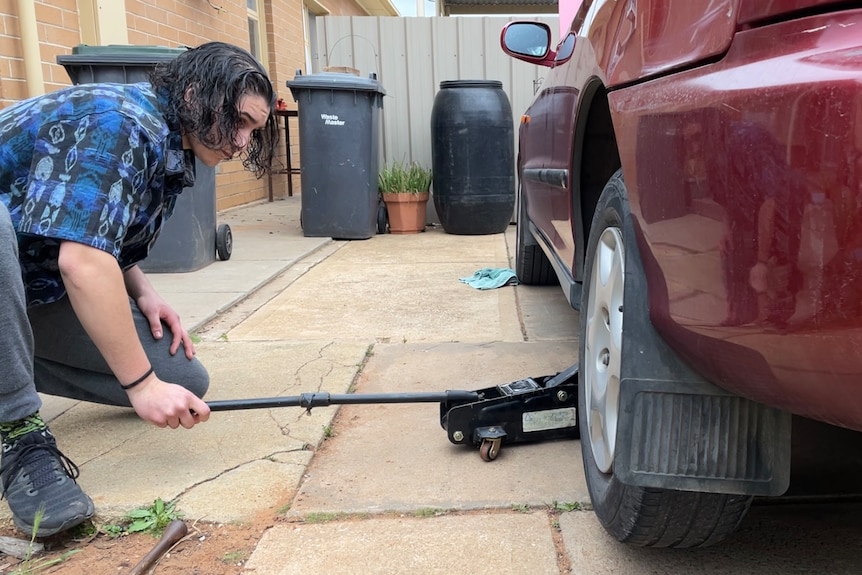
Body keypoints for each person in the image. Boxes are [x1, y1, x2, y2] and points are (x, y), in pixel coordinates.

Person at [0, 41, 278, 537]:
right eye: (238, 121)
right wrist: (141, 385)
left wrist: (142, 290)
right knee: (147, 382)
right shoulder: (118, 121)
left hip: (20, 293)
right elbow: (82, 261)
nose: (240, 142)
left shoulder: (168, 138)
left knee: (182, 379)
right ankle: (16, 433)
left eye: (252, 131)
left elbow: (94, 232)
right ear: (195, 94)